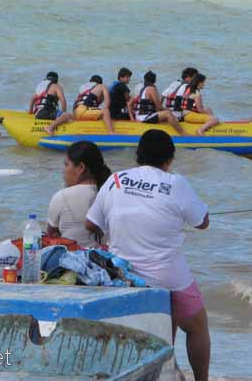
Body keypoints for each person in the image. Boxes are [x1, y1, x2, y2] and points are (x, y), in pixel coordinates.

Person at [85, 130, 210, 381]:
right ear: (170, 159)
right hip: (167, 276)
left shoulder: (116, 180)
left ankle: (163, 371)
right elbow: (203, 222)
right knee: (197, 327)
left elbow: (90, 224)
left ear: (137, 155)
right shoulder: (176, 183)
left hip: (123, 274)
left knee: (168, 321)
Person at [46, 141, 111, 248]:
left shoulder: (62, 196)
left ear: (81, 167)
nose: (64, 171)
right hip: (105, 259)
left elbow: (50, 237)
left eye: (66, 165)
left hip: (71, 259)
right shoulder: (110, 193)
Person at [44, 75, 115, 135]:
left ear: (90, 81)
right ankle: (111, 132)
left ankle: (50, 127)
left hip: (76, 111)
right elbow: (107, 101)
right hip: (84, 111)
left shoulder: (84, 87)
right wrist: (106, 114)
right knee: (105, 111)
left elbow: (79, 103)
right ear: (100, 82)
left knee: (67, 115)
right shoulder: (101, 86)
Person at [127, 71, 186, 135]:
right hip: (145, 117)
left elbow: (129, 104)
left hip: (139, 117)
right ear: (154, 81)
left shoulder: (140, 89)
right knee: (168, 114)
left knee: (165, 115)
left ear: (145, 79)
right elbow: (159, 107)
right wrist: (169, 111)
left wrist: (132, 118)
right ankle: (183, 133)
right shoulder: (151, 89)